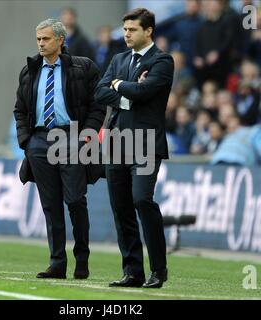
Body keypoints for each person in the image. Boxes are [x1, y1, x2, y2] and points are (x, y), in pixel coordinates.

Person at [14, 19, 105, 280]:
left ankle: (82, 258)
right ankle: (57, 263)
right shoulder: (29, 71)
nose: (41, 44)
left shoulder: (83, 67)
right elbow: (20, 109)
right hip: (40, 142)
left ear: (60, 40)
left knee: (76, 200)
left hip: (71, 138)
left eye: (46, 39)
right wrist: (27, 142)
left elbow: (98, 105)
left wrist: (86, 136)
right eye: (38, 39)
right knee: (50, 205)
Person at [95, 8, 174, 288]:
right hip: (117, 143)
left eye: (132, 30)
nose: (126, 34)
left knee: (142, 199)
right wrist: (125, 91)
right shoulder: (118, 59)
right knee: (122, 208)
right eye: (125, 29)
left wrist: (119, 85)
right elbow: (99, 92)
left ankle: (159, 270)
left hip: (146, 144)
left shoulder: (162, 61)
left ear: (148, 31)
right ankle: (133, 272)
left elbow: (144, 92)